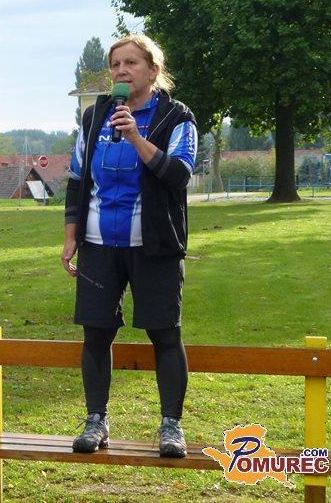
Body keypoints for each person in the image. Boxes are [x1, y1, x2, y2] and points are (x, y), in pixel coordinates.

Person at [61, 34, 198, 458]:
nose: (121, 70)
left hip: (154, 243)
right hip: (99, 243)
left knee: (164, 332)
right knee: (96, 332)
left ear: (153, 71)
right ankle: (96, 421)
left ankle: (171, 426)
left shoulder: (177, 116)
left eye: (131, 63)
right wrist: (71, 235)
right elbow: (77, 179)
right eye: (115, 64)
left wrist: (137, 138)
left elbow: (179, 175)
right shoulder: (95, 115)